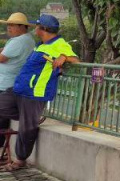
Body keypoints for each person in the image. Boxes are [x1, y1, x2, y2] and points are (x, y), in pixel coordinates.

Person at [4, 14, 79, 171]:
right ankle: (30, 117)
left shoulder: (59, 43)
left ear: (43, 29)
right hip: (20, 89)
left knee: (27, 128)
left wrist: (63, 57)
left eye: (37, 26)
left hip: (35, 93)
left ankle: (20, 160)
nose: (35, 29)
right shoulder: (41, 44)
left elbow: (75, 60)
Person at [0, 12, 39, 168]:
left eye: (12, 25)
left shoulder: (19, 41)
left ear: (22, 27)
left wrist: (2, 52)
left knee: (2, 117)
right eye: (8, 25)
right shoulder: (27, 40)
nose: (9, 28)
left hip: (7, 84)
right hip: (11, 83)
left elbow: (2, 57)